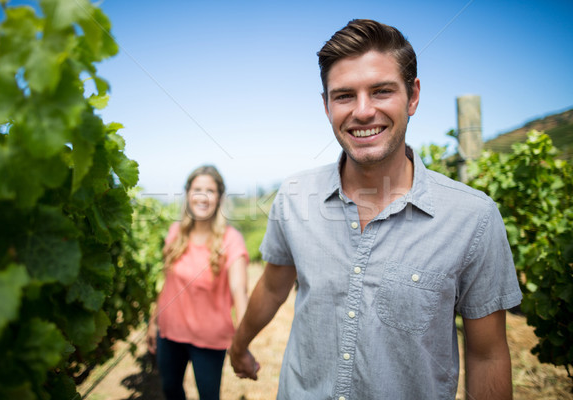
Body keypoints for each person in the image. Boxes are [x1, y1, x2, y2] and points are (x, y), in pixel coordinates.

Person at [230, 19, 522, 400]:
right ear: (326, 105)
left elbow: (487, 356)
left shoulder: (474, 219)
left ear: (413, 96)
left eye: (382, 91)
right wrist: (238, 345)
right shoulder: (293, 196)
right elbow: (272, 286)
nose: (363, 111)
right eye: (345, 96)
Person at [147, 165, 249, 400]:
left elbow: (239, 292)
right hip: (169, 334)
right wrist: (154, 322)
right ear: (188, 194)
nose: (203, 197)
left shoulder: (231, 239)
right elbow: (166, 283)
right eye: (197, 189)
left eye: (210, 191)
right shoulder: (175, 232)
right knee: (170, 389)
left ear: (219, 198)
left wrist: (243, 343)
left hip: (209, 340)